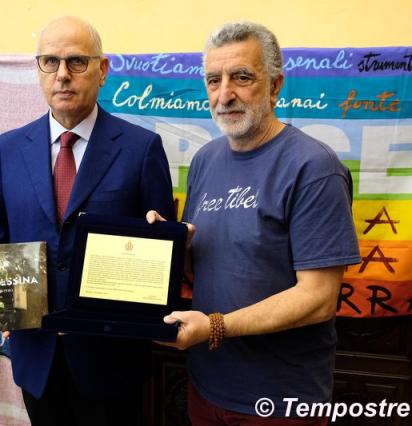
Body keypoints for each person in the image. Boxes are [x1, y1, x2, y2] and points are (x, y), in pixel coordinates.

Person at [147, 22, 361, 425]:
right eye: (214, 80)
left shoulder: (314, 167)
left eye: (242, 77)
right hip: (206, 385)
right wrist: (169, 247)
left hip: (279, 401)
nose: (225, 94)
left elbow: (319, 298)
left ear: (275, 85)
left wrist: (215, 327)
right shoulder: (205, 160)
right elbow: (212, 267)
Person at [0, 16, 175, 426]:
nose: (62, 74)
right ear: (38, 70)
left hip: (111, 363)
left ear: (103, 69)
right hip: (37, 360)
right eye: (50, 61)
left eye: (77, 61)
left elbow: (163, 251)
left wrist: (160, 244)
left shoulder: (141, 148)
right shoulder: (9, 148)